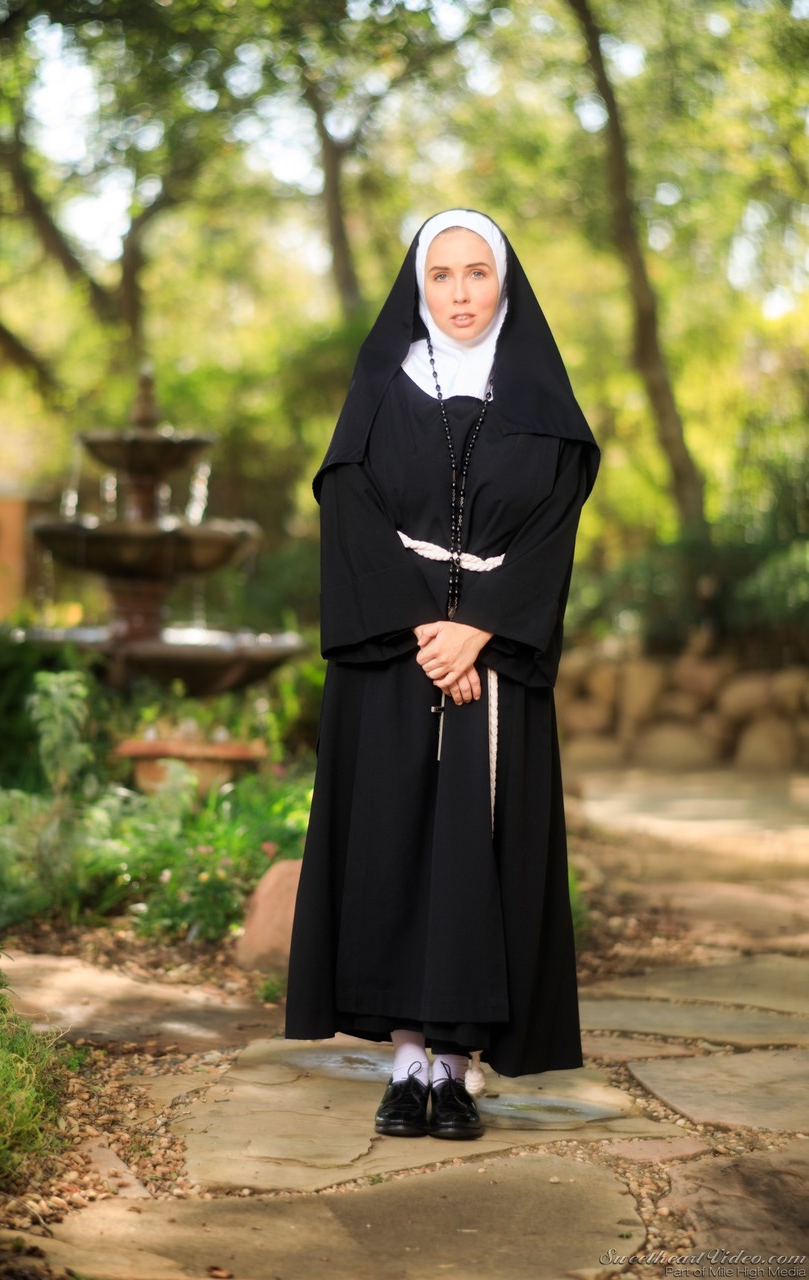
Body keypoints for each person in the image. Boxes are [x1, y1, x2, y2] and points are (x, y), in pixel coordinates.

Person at [285, 208, 599, 1141]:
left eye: (477, 274)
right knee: (392, 846)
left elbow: (554, 530)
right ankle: (403, 1063)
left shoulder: (541, 401)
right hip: (395, 655)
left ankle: (453, 1072)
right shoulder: (379, 388)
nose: (460, 294)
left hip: (494, 664)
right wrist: (428, 627)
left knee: (476, 855)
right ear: (418, 287)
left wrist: (481, 633)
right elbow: (347, 501)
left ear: (505, 283)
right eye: (442, 276)